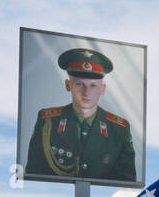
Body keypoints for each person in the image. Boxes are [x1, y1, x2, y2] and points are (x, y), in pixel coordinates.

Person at [25, 48, 136, 181]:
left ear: (102, 89)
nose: (86, 92)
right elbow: (33, 175)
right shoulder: (47, 121)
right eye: (79, 84)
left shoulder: (119, 129)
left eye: (93, 85)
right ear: (68, 85)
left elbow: (126, 181)